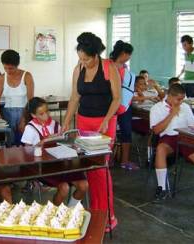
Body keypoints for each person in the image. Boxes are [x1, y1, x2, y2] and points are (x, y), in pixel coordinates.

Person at [62, 32, 121, 232]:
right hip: (84, 123)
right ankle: (95, 211)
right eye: (80, 59)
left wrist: (105, 120)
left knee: (100, 169)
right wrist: (66, 122)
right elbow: (74, 97)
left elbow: (117, 99)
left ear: (96, 55)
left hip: (104, 125)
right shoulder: (78, 68)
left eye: (86, 59)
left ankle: (107, 215)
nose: (83, 62)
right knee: (89, 170)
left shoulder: (108, 68)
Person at [21, 97, 88, 206]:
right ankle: (54, 212)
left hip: (62, 164)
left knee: (84, 185)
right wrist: (39, 145)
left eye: (47, 111)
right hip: (44, 167)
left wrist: (69, 140)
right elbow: (26, 153)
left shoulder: (55, 124)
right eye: (41, 114)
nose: (46, 115)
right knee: (64, 187)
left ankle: (70, 209)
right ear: (34, 115)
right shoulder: (30, 128)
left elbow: (64, 142)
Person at [0, 49, 34, 145]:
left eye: (11, 68)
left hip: (24, 112)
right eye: (5, 68)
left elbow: (31, 100)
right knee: (9, 142)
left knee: (24, 141)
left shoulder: (27, 76)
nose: (8, 71)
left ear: (17, 65)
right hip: (7, 113)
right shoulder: (2, 78)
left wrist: (24, 118)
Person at [109, 40, 138, 170]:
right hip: (110, 104)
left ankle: (124, 161)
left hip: (125, 105)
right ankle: (107, 160)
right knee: (109, 133)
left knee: (126, 132)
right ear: (124, 53)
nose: (129, 57)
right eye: (129, 54)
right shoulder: (108, 65)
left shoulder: (125, 68)